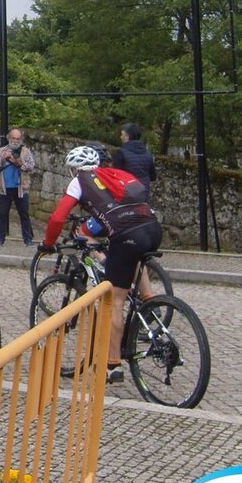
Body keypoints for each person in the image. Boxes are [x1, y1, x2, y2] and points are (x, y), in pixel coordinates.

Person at [38, 145, 160, 383]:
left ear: (74, 169)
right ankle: (149, 302)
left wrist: (48, 243)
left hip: (127, 234)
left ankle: (112, 365)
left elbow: (58, 217)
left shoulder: (79, 181)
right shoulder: (114, 174)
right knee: (131, 257)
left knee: (115, 300)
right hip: (152, 226)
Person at [0, 128, 36, 246]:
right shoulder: (1, 150)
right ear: (9, 138)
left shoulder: (26, 151)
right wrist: (3, 158)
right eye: (13, 138)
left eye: (18, 138)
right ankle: (0, 239)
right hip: (5, 187)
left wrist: (18, 162)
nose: (16, 141)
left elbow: (31, 166)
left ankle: (28, 239)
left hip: (21, 188)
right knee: (2, 213)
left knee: (24, 214)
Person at [113, 122, 157, 202]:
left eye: (122, 134)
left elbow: (116, 177)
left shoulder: (121, 153)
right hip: (144, 194)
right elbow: (153, 177)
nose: (120, 137)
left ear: (127, 136)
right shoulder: (148, 154)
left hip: (127, 195)